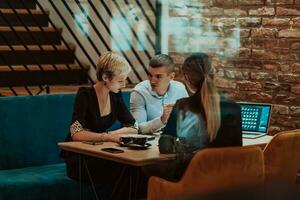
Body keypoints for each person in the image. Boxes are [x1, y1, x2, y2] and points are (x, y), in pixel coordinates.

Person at [143, 52, 242, 181]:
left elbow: (165, 146)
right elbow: (237, 149)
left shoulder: (182, 106)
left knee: (145, 169)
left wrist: (184, 144)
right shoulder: (234, 107)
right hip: (226, 181)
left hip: (191, 179)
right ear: (213, 75)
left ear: (187, 78)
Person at [61, 52, 138, 199]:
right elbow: (76, 133)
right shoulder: (85, 95)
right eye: (120, 80)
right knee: (125, 169)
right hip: (80, 158)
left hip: (100, 152)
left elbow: (133, 125)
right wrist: (108, 137)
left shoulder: (115, 94)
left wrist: (112, 135)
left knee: (134, 170)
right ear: (105, 77)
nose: (124, 85)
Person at [130, 54, 189, 134]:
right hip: (151, 143)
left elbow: (188, 119)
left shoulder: (180, 88)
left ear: (171, 76)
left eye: (158, 76)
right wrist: (162, 120)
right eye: (150, 75)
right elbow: (138, 128)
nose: (152, 81)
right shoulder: (139, 92)